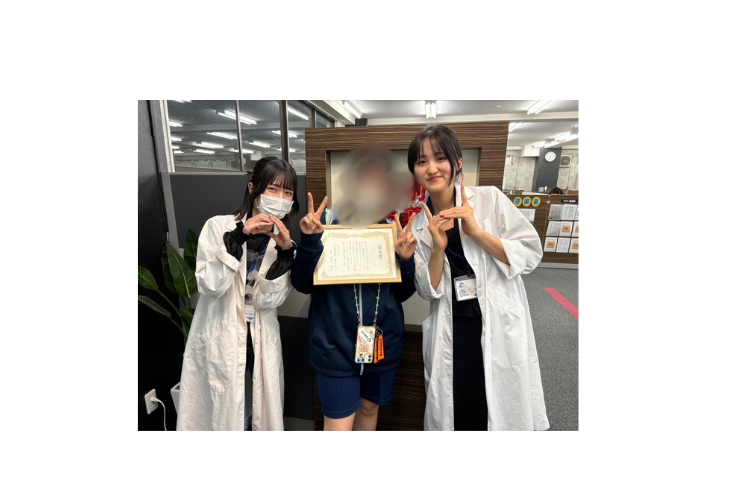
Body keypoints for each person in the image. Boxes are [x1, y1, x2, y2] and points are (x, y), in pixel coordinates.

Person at [408, 124, 549, 431]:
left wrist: (476, 232)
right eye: (421, 161)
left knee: (500, 404)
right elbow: (427, 290)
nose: (431, 168)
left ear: (457, 162)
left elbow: (530, 253)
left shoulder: (489, 200)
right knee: (459, 405)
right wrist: (437, 249)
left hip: (496, 318)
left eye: (440, 158)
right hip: (452, 324)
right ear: (414, 170)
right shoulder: (418, 224)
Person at [177, 157, 299, 431]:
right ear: (253, 188)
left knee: (260, 413)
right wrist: (239, 237)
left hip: (260, 341)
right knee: (223, 416)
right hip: (221, 337)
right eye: (273, 189)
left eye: (287, 192)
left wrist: (284, 254)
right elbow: (209, 285)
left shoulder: (284, 243)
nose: (280, 198)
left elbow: (270, 300)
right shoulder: (219, 227)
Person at [291, 190, 418, 431]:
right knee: (338, 423)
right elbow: (302, 284)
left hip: (381, 346)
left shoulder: (392, 231)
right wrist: (309, 241)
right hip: (334, 348)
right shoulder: (325, 226)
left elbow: (402, 294)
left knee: (369, 409)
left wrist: (406, 260)